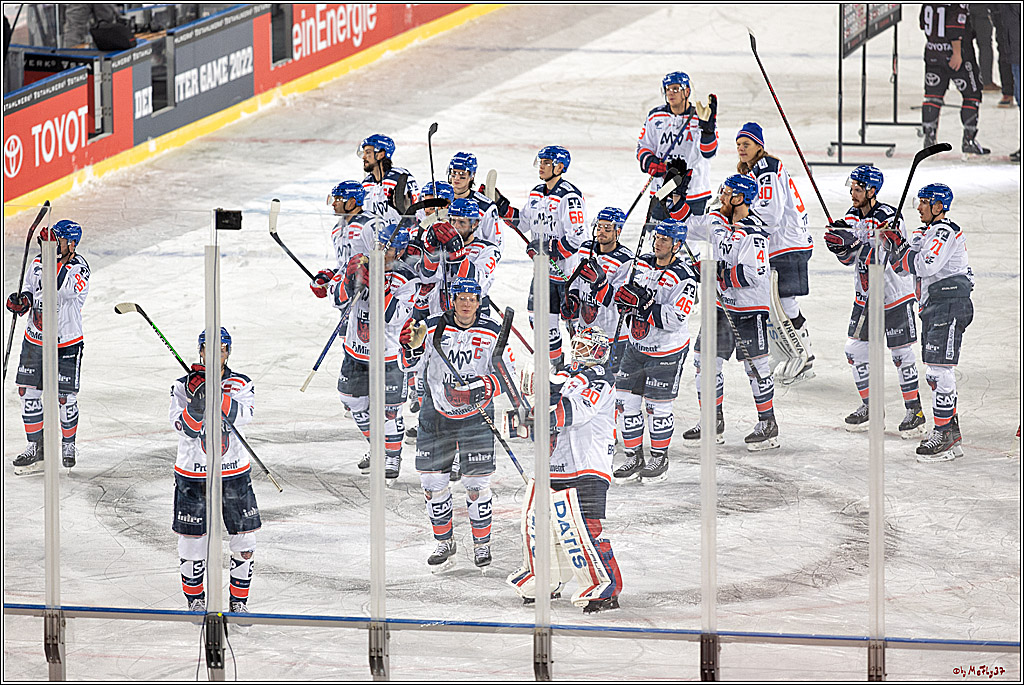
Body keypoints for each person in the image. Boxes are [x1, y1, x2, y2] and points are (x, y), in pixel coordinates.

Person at [399, 277, 515, 571]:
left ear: (479, 302)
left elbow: (508, 376)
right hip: (435, 414)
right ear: (453, 300)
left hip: (475, 417)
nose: (466, 304)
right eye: (461, 298)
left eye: (471, 299)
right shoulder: (431, 327)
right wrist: (408, 349)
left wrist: (480, 387)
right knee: (432, 484)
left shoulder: (492, 332)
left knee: (476, 485)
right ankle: (444, 541)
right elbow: (408, 366)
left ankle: (482, 544)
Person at [507, 326, 624, 614]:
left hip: (588, 465)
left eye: (587, 347)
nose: (580, 350)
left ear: (600, 351)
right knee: (538, 524)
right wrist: (525, 415)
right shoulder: (564, 375)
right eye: (579, 345)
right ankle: (543, 580)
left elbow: (576, 412)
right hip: (554, 464)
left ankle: (605, 588)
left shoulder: (601, 380)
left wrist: (547, 403)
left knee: (585, 529)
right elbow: (540, 417)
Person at [674, 175, 781, 451]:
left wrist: (714, 273)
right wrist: (674, 198)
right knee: (704, 362)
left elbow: (752, 274)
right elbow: (686, 225)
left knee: (756, 368)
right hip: (721, 308)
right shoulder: (717, 222)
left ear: (741, 199)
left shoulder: (754, 234)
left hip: (749, 310)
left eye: (727, 194)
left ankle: (768, 423)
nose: (722, 197)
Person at [823, 166, 926, 437]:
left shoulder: (891, 217)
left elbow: (888, 259)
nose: (852, 193)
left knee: (901, 355)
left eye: (858, 189)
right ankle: (871, 406)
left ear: (871, 191)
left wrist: (853, 244)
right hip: (865, 297)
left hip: (894, 295)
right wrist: (839, 246)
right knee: (854, 350)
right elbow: (850, 261)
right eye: (852, 188)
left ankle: (914, 412)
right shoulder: (851, 216)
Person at [169, 327, 259, 614]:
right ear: (201, 351)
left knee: (245, 542)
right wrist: (197, 404)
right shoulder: (182, 386)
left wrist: (216, 396)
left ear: (227, 352)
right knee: (193, 545)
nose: (215, 353)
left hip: (233, 472)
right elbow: (184, 429)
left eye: (222, 348)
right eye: (209, 348)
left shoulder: (241, 384)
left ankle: (238, 603)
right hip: (193, 475)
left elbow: (244, 416)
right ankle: (195, 602)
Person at [886, 183, 974, 462]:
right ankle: (951, 432)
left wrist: (901, 248)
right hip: (933, 305)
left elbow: (925, 265)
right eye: (919, 201)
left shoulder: (945, 231)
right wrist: (894, 244)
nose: (920, 207)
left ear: (939, 206)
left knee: (940, 371)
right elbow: (901, 268)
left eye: (925, 202)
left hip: (949, 303)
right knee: (934, 373)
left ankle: (944, 434)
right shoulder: (923, 232)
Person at [328, 222, 419, 482]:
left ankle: (392, 454)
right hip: (356, 351)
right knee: (352, 400)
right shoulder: (358, 264)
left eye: (387, 247)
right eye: (378, 244)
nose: (380, 250)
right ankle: (378, 447)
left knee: (390, 411)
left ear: (399, 251)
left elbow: (392, 317)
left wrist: (377, 283)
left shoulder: (407, 279)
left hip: (388, 355)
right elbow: (336, 299)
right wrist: (349, 279)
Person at [611, 219, 698, 482]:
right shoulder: (642, 264)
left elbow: (676, 318)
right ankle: (633, 457)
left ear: (677, 245)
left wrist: (646, 305)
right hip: (635, 348)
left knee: (657, 408)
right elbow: (623, 297)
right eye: (657, 237)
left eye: (665, 240)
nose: (658, 242)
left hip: (666, 351)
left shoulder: (685, 277)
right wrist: (623, 299)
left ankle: (659, 457)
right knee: (627, 404)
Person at [735, 122, 815, 384]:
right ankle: (790, 354)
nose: (741, 149)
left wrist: (739, 223)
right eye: (738, 145)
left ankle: (802, 358)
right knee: (776, 302)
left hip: (787, 244)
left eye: (746, 144)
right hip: (784, 242)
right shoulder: (756, 170)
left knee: (783, 302)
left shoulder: (766, 167)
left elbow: (769, 214)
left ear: (759, 145)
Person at [7, 219, 90, 474]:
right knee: (27, 393)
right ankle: (36, 446)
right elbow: (33, 290)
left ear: (71, 244)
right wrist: (23, 301)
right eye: (52, 239)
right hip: (35, 340)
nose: (54, 243)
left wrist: (49, 258)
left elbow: (60, 291)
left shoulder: (80, 269)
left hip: (66, 342)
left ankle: (68, 444)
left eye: (59, 240)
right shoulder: (38, 263)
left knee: (65, 397)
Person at [521, 145, 587, 370]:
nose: (541, 166)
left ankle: (580, 371)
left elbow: (578, 237)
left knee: (575, 327)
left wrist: (548, 248)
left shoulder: (569, 196)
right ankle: (557, 369)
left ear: (560, 167)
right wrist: (499, 203)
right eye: (540, 161)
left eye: (546, 162)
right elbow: (522, 222)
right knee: (541, 323)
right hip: (542, 274)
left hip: (568, 276)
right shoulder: (536, 192)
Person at [561, 207, 635, 372]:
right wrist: (572, 299)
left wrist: (601, 284)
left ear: (618, 231)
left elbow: (620, 301)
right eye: (599, 227)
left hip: (612, 336)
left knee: (609, 385)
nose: (601, 231)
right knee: (580, 381)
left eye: (607, 228)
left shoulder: (626, 260)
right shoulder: (585, 249)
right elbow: (575, 280)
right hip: (584, 334)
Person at [637, 71, 718, 219]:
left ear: (687, 91)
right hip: (662, 189)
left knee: (689, 239)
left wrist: (708, 132)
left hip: (694, 191)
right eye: (667, 89)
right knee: (658, 237)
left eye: (675, 89)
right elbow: (643, 146)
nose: (670, 93)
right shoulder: (655, 116)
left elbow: (709, 152)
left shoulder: (699, 117)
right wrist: (650, 162)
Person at [919, 4, 990, 154]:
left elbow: (923, 23)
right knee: (972, 94)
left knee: (933, 96)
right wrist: (957, 53)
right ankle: (968, 140)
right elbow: (954, 26)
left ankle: (929, 140)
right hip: (958, 56)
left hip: (933, 53)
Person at [447, 151, 506, 258]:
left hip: (473, 262)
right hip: (444, 264)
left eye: (462, 175)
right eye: (454, 173)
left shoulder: (486, 206)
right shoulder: (439, 201)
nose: (456, 178)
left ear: (472, 175)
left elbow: (496, 244)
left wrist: (481, 266)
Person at [358, 133, 419, 215]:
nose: (364, 157)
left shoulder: (401, 177)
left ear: (381, 154)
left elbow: (418, 212)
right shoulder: (366, 183)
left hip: (400, 227)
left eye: (368, 152)